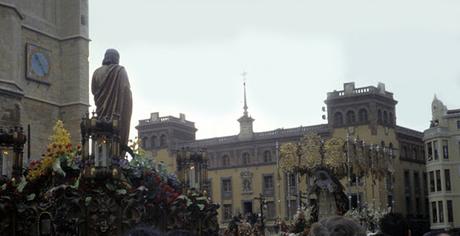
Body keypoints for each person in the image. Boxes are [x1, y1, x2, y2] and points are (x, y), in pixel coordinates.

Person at [91, 49, 133, 153]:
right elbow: (126, 90)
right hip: (116, 115)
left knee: (100, 141)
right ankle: (117, 155)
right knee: (115, 141)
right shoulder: (120, 71)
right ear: (116, 58)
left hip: (100, 114)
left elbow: (94, 90)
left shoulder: (96, 72)